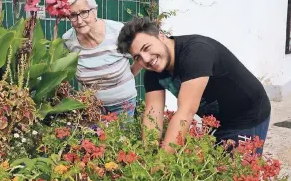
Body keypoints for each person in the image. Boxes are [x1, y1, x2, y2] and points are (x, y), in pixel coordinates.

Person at [116, 17, 271, 154]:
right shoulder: (152, 72)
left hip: (247, 116)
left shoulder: (196, 53)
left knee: (238, 177)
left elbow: (186, 112)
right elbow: (152, 116)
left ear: (161, 36)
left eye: (147, 48)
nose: (146, 59)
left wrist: (161, 162)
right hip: (216, 120)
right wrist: (148, 155)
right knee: (214, 172)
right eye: (138, 57)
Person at [62, 0, 142, 117]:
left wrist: (129, 75)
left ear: (95, 11)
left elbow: (140, 56)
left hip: (123, 104)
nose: (79, 20)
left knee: (123, 137)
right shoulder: (68, 40)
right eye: (73, 15)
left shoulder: (117, 31)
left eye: (84, 12)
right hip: (91, 107)